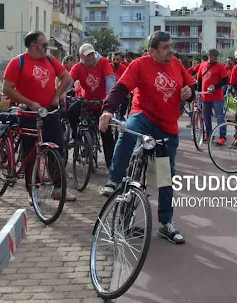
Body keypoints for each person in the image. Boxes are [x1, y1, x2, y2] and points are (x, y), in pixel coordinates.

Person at [99, 31, 195, 244]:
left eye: (171, 45)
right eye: (165, 47)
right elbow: (121, 89)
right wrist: (108, 110)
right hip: (143, 116)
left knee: (165, 176)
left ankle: (165, 223)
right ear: (152, 51)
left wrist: (190, 93)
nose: (171, 50)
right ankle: (114, 180)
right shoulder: (140, 65)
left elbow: (191, 88)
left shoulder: (177, 64)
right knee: (128, 132)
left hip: (167, 126)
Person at [2, 31, 76, 203]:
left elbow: (66, 77)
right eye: (44, 45)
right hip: (28, 114)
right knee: (31, 153)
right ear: (34, 45)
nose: (46, 48)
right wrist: (31, 102)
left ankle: (58, 188)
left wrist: (57, 95)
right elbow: (7, 89)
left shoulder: (50, 60)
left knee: (57, 149)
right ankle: (32, 190)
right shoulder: (18, 62)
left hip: (49, 113)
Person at [69, 44, 116, 168]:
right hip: (87, 101)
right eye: (87, 55)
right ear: (81, 57)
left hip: (102, 102)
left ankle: (110, 163)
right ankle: (75, 136)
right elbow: (69, 81)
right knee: (72, 111)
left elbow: (110, 79)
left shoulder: (103, 62)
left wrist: (108, 98)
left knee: (106, 132)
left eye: (92, 54)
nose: (91, 57)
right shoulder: (78, 67)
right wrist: (62, 93)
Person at [197, 48, 228, 143]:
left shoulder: (220, 67)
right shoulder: (202, 65)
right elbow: (199, 79)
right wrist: (199, 92)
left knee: (220, 116)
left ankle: (222, 136)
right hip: (205, 97)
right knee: (206, 116)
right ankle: (209, 134)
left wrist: (215, 86)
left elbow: (225, 80)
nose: (216, 58)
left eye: (217, 56)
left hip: (217, 97)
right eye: (214, 56)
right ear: (209, 56)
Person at [111, 52, 130, 119]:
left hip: (120, 91)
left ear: (121, 60)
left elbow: (127, 80)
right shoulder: (108, 67)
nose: (115, 61)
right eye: (114, 59)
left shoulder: (124, 68)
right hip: (110, 92)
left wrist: (127, 92)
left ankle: (122, 116)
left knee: (126, 100)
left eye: (117, 59)